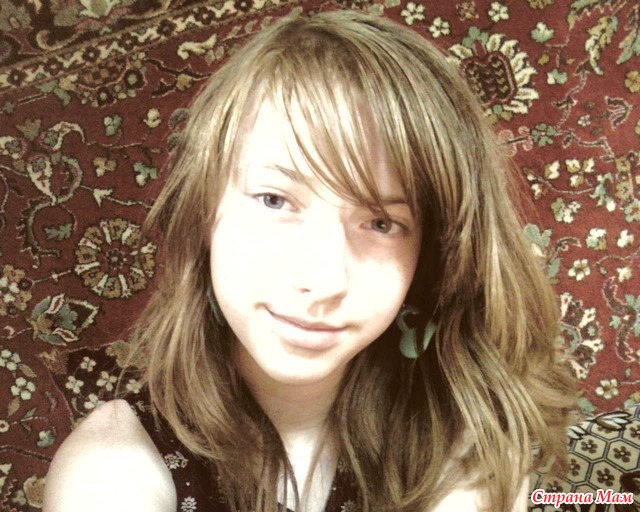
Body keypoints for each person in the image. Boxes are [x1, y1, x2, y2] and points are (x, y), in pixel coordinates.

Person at [42, 9, 576, 512]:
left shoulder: (465, 438)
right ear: (203, 209)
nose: (322, 280)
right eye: (275, 200)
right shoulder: (111, 469)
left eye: (381, 223)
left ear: (431, 256)